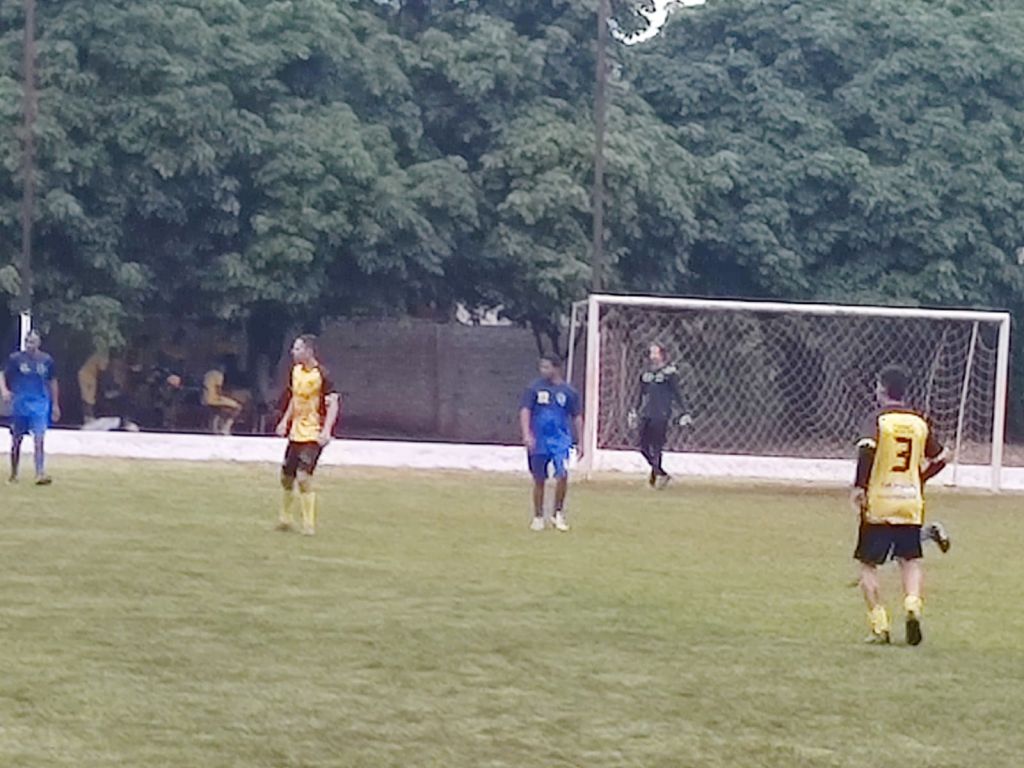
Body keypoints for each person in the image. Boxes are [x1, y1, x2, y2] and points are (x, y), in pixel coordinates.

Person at [851, 365, 950, 646]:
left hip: (880, 502)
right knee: (910, 560)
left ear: (881, 389)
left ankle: (879, 626)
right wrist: (920, 478)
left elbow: (867, 449)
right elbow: (942, 456)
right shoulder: (919, 422)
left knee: (868, 564)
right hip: (909, 501)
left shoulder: (878, 420)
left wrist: (859, 487)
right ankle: (912, 605)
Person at [275, 335, 340, 536]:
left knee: (303, 477)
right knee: (286, 477)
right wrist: (285, 421)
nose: (293, 352)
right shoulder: (295, 372)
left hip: (313, 433)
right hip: (296, 433)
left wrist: (326, 430)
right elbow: (295, 398)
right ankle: (285, 519)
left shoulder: (323, 375)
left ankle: (308, 524)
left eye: (297, 349)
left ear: (309, 351)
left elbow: (333, 404)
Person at [519, 355, 583, 532]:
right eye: (542, 367)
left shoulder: (569, 392)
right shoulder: (533, 388)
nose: (543, 371)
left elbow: (577, 416)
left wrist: (581, 441)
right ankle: (538, 516)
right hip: (539, 439)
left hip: (560, 439)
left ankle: (558, 513)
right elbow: (525, 411)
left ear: (556, 368)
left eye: (546, 367)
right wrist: (527, 434)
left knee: (562, 474)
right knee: (539, 479)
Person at [1, 330, 60, 485]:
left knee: (39, 438)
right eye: (27, 342)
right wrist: (5, 391)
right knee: (16, 440)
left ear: (39, 343)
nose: (29, 345)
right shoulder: (16, 359)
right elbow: (3, 374)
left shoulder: (46, 360)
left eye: (33, 342)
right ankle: (14, 474)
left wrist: (55, 404)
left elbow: (52, 381)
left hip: (40, 403)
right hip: (20, 403)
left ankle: (40, 473)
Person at [627, 343, 690, 489]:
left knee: (657, 447)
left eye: (655, 353)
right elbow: (640, 394)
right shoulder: (646, 374)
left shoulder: (670, 373)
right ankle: (661, 473)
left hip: (661, 414)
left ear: (662, 354)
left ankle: (654, 479)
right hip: (647, 413)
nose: (652, 356)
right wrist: (635, 410)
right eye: (651, 353)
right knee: (643, 446)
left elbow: (677, 394)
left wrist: (684, 411)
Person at [203, 358, 243, 435]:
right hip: (215, 398)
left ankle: (215, 428)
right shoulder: (219, 375)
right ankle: (226, 427)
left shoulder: (208, 374)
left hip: (205, 398)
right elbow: (219, 391)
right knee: (238, 407)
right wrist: (229, 396)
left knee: (219, 411)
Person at [78, 348, 109, 423]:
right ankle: (88, 418)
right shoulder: (103, 356)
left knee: (89, 398)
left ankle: (88, 417)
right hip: (87, 376)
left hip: (91, 377)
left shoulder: (99, 354)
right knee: (88, 398)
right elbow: (102, 371)